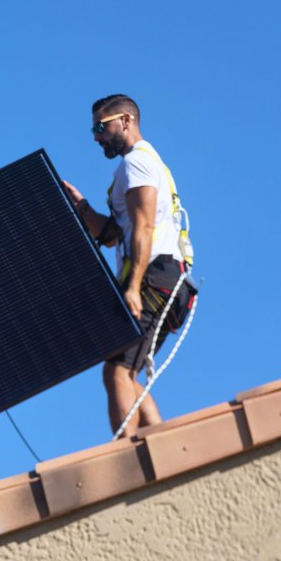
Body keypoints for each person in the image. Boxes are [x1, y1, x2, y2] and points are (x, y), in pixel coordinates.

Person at [62, 94, 193, 438]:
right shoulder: (141, 165)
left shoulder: (136, 163)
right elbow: (113, 236)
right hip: (165, 279)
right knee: (125, 369)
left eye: (100, 126)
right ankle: (160, 445)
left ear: (126, 120)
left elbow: (144, 225)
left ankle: (125, 459)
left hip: (152, 277)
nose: (96, 136)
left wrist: (133, 287)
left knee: (117, 371)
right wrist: (83, 208)